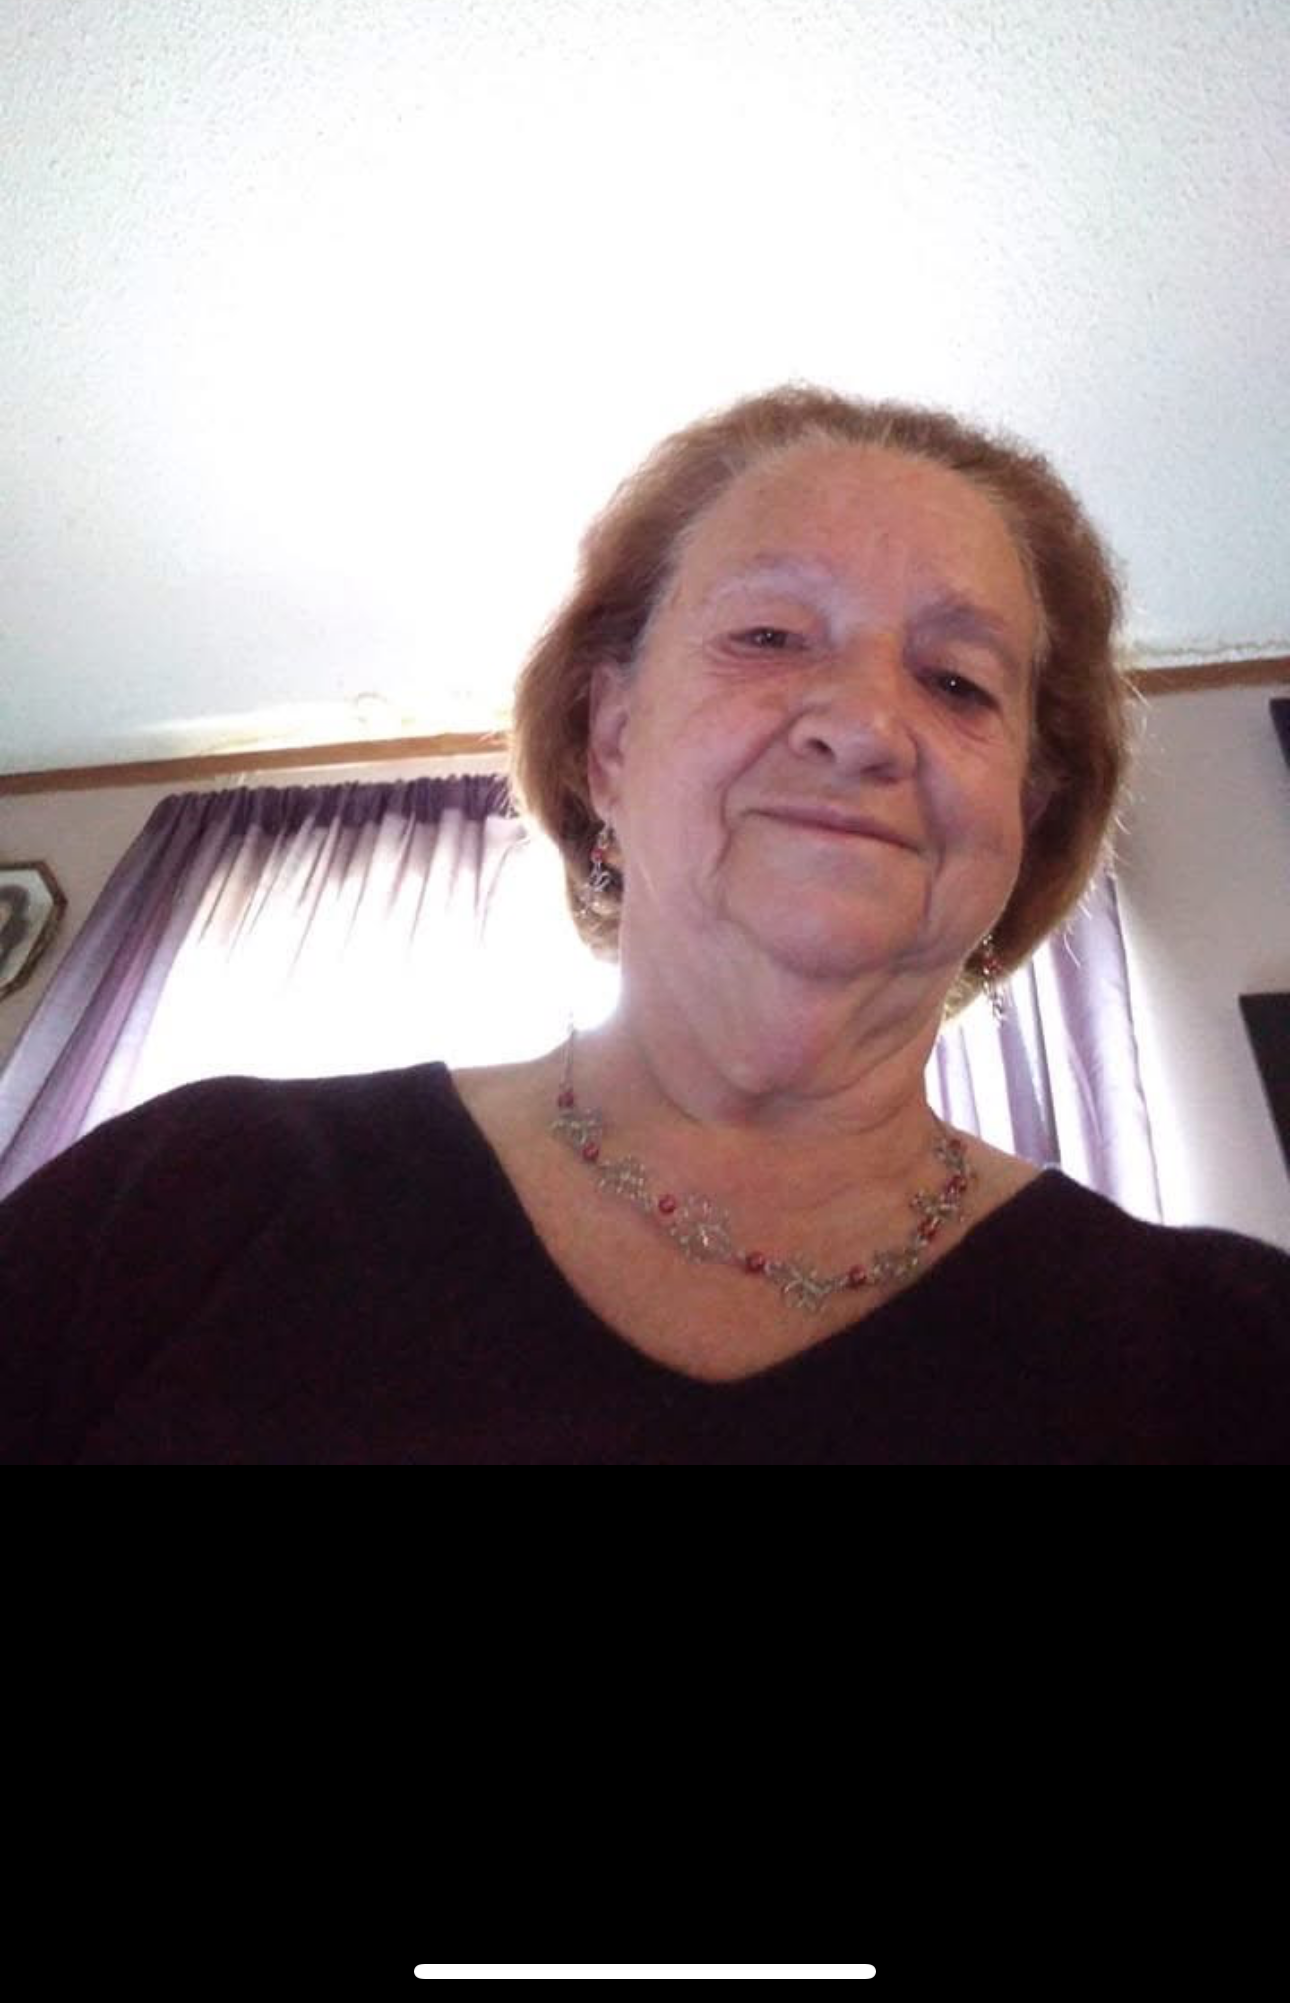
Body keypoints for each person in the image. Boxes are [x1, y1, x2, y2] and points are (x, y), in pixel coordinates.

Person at [3, 380, 1289, 1462]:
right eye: (771, 635)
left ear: (1026, 815)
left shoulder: (1232, 1355)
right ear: (610, 741)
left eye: (957, 682)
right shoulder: (194, 1196)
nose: (864, 724)